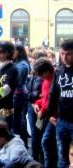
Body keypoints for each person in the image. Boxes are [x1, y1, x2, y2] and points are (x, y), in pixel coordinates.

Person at [48, 39, 73, 168]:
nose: (64, 57)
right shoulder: (59, 71)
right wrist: (51, 114)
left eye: (68, 54)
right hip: (61, 120)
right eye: (62, 54)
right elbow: (54, 94)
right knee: (62, 157)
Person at [33, 58, 57, 168]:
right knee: (48, 143)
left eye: (41, 75)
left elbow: (50, 100)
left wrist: (42, 110)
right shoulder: (46, 80)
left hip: (55, 116)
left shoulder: (54, 79)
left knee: (47, 142)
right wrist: (37, 103)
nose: (40, 78)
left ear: (47, 71)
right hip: (48, 115)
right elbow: (44, 97)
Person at [12, 44, 30, 146]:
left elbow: (15, 80)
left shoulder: (22, 65)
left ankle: (22, 142)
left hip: (18, 94)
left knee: (18, 118)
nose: (12, 53)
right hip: (17, 93)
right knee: (17, 118)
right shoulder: (16, 63)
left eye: (14, 51)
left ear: (19, 52)